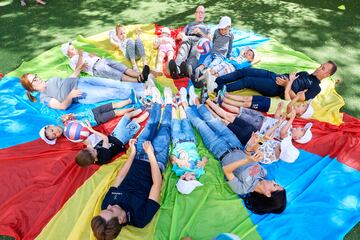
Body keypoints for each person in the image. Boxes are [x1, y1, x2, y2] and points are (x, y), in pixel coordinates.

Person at [179, 87, 287, 215]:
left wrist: (248, 159)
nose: (274, 182)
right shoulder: (262, 172)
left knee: (200, 125)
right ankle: (196, 101)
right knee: (212, 120)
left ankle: (183, 103)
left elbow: (227, 170)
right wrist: (253, 146)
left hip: (219, 149)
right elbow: (247, 153)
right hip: (235, 143)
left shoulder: (242, 189)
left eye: (275, 186)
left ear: (268, 194)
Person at [91, 87, 173, 239]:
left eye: (106, 209)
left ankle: (156, 102)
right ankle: (168, 104)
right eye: (110, 211)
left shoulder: (105, 205)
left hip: (137, 157)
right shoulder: (140, 218)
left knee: (151, 124)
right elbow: (156, 184)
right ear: (121, 220)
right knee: (165, 128)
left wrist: (133, 153)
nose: (108, 206)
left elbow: (121, 177)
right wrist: (151, 155)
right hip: (156, 161)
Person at [205, 99, 300, 164]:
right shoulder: (278, 144)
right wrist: (277, 124)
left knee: (224, 123)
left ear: (281, 152)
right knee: (229, 116)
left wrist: (262, 140)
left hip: (246, 138)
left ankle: (207, 108)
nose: (281, 144)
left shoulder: (268, 159)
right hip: (253, 131)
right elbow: (266, 136)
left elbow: (253, 149)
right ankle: (208, 101)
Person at [20, 66, 145, 110]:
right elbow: (62, 106)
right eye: (34, 80)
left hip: (82, 80)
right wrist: (70, 96)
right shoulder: (44, 98)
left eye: (35, 76)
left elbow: (67, 81)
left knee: (114, 83)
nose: (38, 78)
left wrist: (77, 70)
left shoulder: (49, 81)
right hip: (81, 93)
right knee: (112, 92)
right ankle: (144, 92)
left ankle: (142, 85)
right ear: (32, 87)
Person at [38, 97, 142, 145]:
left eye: (52, 130)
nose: (55, 132)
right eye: (54, 135)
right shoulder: (70, 135)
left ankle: (129, 100)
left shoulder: (60, 120)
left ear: (51, 126)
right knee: (115, 113)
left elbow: (66, 116)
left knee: (112, 105)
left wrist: (68, 117)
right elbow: (83, 136)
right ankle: (132, 108)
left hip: (91, 112)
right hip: (96, 120)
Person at [215, 61, 338, 101]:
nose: (318, 68)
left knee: (247, 80)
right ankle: (216, 81)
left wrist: (286, 85)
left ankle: (216, 89)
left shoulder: (316, 88)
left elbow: (296, 98)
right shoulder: (305, 74)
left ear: (327, 74)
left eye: (322, 68)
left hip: (276, 88)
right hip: (274, 76)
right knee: (245, 70)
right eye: (321, 65)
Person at [75, 108, 149, 167]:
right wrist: (92, 130)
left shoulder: (91, 155)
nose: (92, 148)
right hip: (121, 139)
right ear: (94, 159)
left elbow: (88, 143)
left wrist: (79, 134)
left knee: (127, 115)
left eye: (89, 149)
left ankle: (144, 107)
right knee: (135, 121)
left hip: (114, 135)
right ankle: (151, 109)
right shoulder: (103, 156)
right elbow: (105, 138)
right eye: (93, 151)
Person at [218, 78, 314, 119]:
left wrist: (297, 96)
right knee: (247, 98)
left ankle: (225, 100)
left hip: (266, 107)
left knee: (246, 104)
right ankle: (226, 95)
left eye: (303, 107)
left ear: (301, 113)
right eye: (303, 104)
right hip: (267, 100)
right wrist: (291, 81)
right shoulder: (291, 102)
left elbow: (289, 105)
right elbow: (286, 91)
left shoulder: (291, 113)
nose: (301, 104)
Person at [61, 42, 150, 83]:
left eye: (74, 47)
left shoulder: (81, 53)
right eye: (72, 49)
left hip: (102, 60)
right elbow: (78, 69)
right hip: (96, 68)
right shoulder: (72, 61)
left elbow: (90, 57)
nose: (75, 49)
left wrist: (94, 55)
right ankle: (138, 80)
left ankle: (140, 74)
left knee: (122, 67)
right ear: (68, 54)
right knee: (117, 74)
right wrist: (80, 56)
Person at [171, 99, 207, 194]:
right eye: (194, 179)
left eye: (191, 179)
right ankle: (180, 106)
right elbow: (204, 158)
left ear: (183, 178)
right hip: (191, 140)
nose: (194, 177)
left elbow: (172, 157)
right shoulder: (198, 172)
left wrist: (178, 160)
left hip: (178, 141)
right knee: (185, 121)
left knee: (175, 122)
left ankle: (174, 106)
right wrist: (203, 162)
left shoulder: (178, 170)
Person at [168, 5, 211, 79]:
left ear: (204, 15)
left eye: (202, 13)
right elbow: (180, 35)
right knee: (183, 49)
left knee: (194, 54)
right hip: (188, 38)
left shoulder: (206, 27)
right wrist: (180, 35)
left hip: (199, 40)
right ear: (195, 14)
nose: (200, 14)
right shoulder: (189, 25)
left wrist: (201, 32)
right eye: (198, 12)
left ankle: (187, 70)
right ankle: (177, 69)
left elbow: (209, 38)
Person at [192, 46, 257, 92]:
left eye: (249, 54)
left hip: (231, 68)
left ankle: (204, 85)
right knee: (212, 70)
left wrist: (252, 61)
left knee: (216, 75)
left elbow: (240, 67)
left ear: (251, 59)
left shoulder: (247, 63)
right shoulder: (240, 55)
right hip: (225, 63)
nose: (247, 54)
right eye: (247, 52)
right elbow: (244, 49)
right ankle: (197, 80)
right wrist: (244, 52)